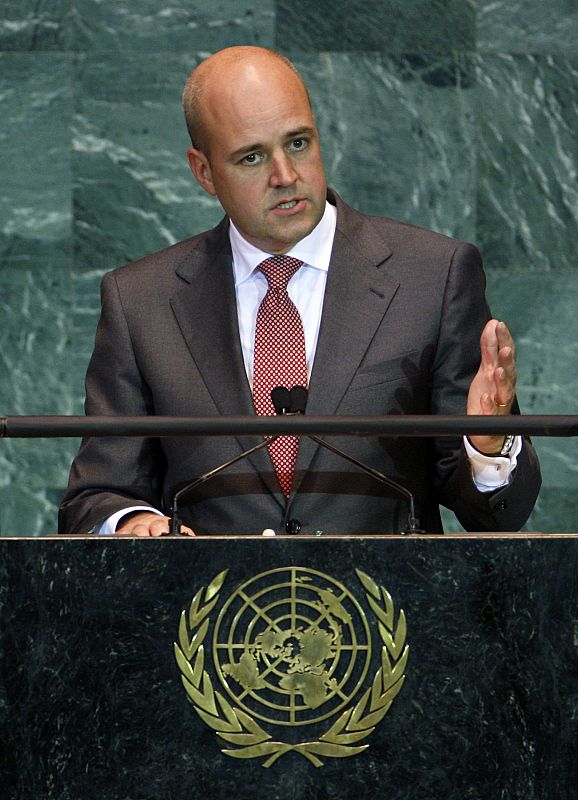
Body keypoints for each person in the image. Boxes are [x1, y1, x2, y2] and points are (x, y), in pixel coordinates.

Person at [59, 46, 540, 537]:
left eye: (297, 143)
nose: (285, 176)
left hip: (384, 588)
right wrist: (133, 524)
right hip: (215, 589)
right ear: (203, 172)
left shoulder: (432, 277)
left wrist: (488, 448)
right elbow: (96, 495)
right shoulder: (141, 302)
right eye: (252, 157)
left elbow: (498, 516)